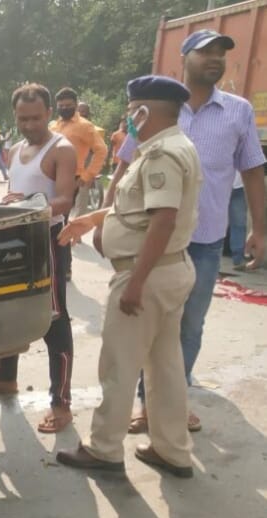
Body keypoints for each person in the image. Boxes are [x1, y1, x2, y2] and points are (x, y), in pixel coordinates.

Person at [110, 29, 266, 434]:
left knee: (189, 327)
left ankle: (171, 399)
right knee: (145, 323)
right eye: (205, 52)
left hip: (205, 242)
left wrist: (259, 230)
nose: (215, 59)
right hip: (151, 241)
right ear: (184, 58)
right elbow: (124, 162)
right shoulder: (158, 107)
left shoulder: (238, 111)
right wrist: (105, 214)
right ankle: (148, 406)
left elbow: (251, 171)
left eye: (221, 53)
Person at [56, 75, 202, 478]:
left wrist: (135, 282)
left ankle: (104, 449)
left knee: (120, 364)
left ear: (143, 111)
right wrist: (93, 218)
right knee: (165, 367)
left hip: (147, 274)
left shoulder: (161, 156)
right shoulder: (174, 146)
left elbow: (162, 220)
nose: (127, 117)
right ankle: (172, 450)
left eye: (131, 108)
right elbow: (141, 210)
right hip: (169, 271)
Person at [0, 83, 77, 434]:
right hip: (15, 239)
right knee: (7, 310)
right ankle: (6, 378)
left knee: (55, 320)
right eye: (22, 118)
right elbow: (13, 192)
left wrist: (29, 202)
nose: (29, 124)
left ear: (48, 114)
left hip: (47, 241)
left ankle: (61, 404)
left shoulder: (62, 148)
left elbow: (64, 200)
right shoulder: (14, 149)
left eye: (36, 117)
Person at [51, 88, 107, 279]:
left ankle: (65, 268)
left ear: (75, 105)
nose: (64, 108)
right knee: (50, 222)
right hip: (51, 178)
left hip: (72, 179)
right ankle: (53, 264)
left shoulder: (85, 126)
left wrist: (87, 176)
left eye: (68, 105)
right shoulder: (53, 125)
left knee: (61, 223)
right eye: (61, 106)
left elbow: (101, 150)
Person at [227, 171, 248, 270]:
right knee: (238, 223)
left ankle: (238, 259)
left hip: (239, 186)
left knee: (238, 223)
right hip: (221, 184)